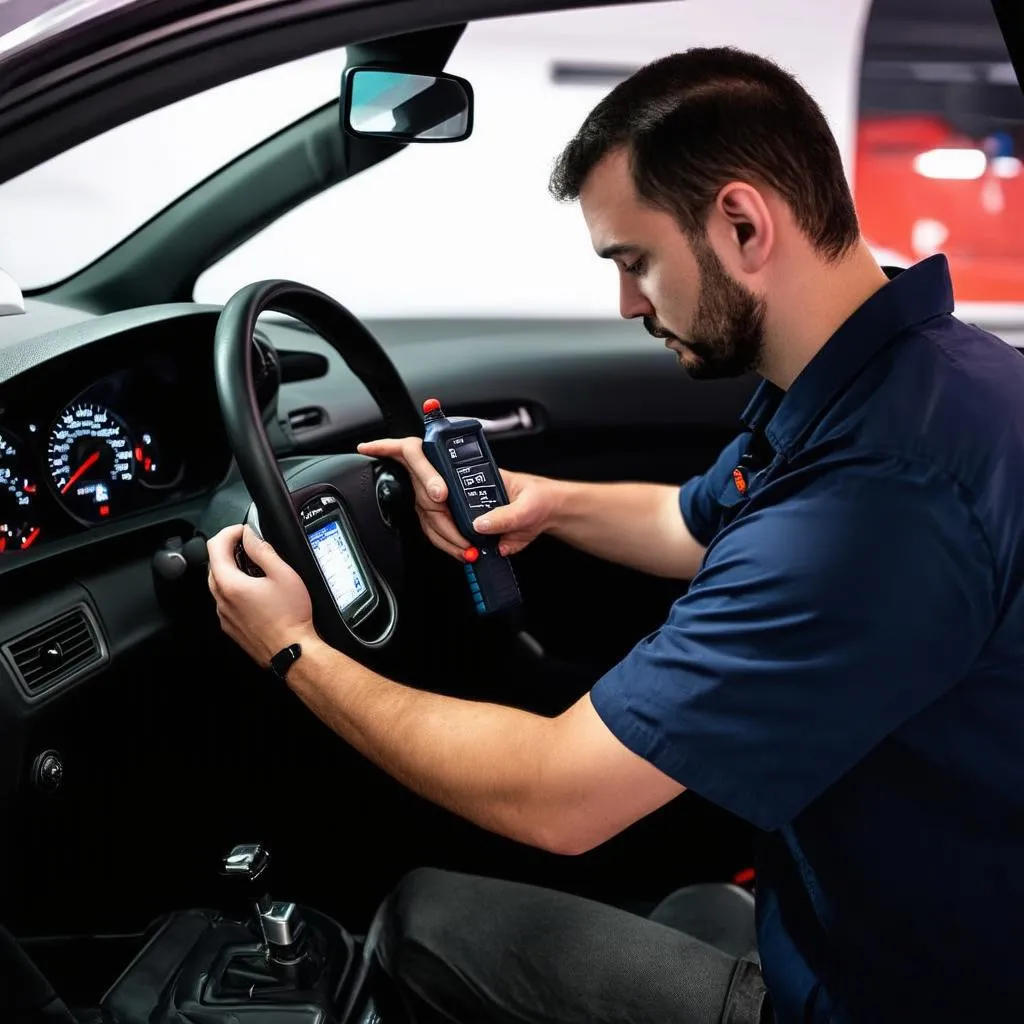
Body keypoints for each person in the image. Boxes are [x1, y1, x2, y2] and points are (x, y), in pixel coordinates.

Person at [206, 46, 1024, 1024]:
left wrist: (289, 649)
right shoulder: (904, 377)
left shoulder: (871, 507)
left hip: (877, 994)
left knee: (421, 920)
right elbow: (696, 525)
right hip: (871, 906)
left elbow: (559, 798)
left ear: (740, 222)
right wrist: (541, 501)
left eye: (633, 261)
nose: (626, 304)